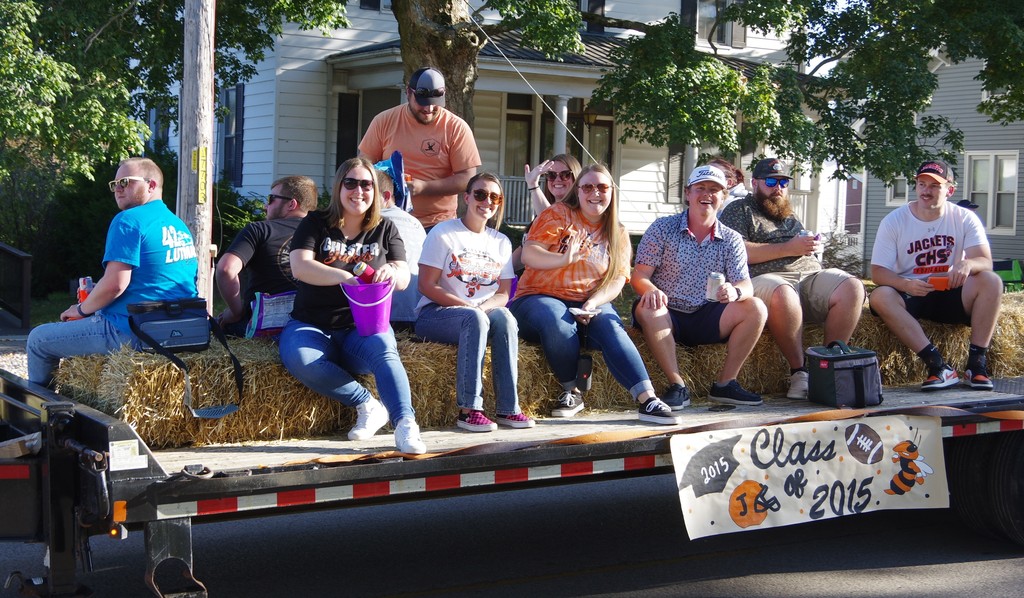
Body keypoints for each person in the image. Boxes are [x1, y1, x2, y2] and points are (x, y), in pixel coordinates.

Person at [510, 164, 681, 425]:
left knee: (611, 325)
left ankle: (648, 399)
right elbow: (529, 254)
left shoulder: (618, 232)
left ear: (612, 191)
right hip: (537, 296)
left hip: (588, 301)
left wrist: (593, 302)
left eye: (602, 187)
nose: (595, 193)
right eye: (587, 187)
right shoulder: (558, 214)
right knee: (556, 318)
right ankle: (572, 390)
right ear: (577, 191)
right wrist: (563, 259)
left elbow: (618, 279)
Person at [278, 157, 426, 454]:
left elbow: (403, 276)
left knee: (385, 350)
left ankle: (406, 424)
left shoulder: (385, 228)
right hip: (312, 324)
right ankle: (367, 404)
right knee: (301, 359)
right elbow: (300, 267)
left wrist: (391, 271)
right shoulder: (316, 222)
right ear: (339, 187)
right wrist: (345, 278)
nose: (359, 191)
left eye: (366, 185)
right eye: (351, 183)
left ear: (375, 191)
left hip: (363, 328)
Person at [27, 157, 199, 386]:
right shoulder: (178, 225)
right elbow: (159, 281)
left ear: (151, 185)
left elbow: (115, 285)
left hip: (135, 331)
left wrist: (82, 309)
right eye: (115, 184)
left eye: (126, 182)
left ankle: (42, 407)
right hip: (182, 329)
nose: (118, 188)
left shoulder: (128, 220)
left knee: (38, 340)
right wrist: (99, 293)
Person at [719, 157, 865, 400]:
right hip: (765, 278)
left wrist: (810, 246)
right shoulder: (739, 209)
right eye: (771, 182)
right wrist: (788, 248)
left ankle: (827, 366)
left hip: (808, 274)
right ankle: (799, 373)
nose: (778, 187)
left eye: (783, 182)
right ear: (755, 183)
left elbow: (801, 247)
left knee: (853, 286)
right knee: (783, 292)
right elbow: (737, 252)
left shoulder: (788, 213)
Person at [632, 165, 768, 407]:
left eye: (714, 190)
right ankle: (677, 385)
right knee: (649, 307)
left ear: (723, 196)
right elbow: (639, 275)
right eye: (700, 188)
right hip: (667, 313)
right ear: (688, 193)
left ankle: (726, 384)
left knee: (756, 307)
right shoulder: (662, 228)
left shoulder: (732, 239)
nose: (707, 194)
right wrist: (652, 290)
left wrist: (735, 291)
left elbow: (745, 284)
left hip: (707, 314)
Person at [415, 173, 535, 432]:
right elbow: (426, 285)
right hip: (436, 314)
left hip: (479, 315)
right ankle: (469, 410)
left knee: (505, 317)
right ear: (467, 198)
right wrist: (467, 308)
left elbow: (504, 293)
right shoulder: (444, 232)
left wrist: (480, 309)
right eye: (480, 194)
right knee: (475, 318)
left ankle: (508, 408)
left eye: (494, 197)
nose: (487, 201)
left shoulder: (501, 241)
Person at [869, 160, 1003, 391]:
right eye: (922, 184)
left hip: (951, 290)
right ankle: (938, 366)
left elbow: (985, 261)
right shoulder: (894, 220)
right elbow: (878, 272)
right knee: (880, 296)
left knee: (991, 281)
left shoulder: (964, 217)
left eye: (934, 186)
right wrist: (905, 284)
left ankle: (976, 366)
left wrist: (967, 264)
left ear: (950, 190)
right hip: (912, 293)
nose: (926, 191)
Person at [358, 67, 482, 231]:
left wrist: (424, 187)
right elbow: (363, 165)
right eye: (422, 103)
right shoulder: (384, 121)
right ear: (409, 93)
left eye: (435, 104)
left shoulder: (456, 127)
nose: (428, 109)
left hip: (437, 224)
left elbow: (467, 178)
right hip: (388, 220)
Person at [215, 175, 317, 336]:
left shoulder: (260, 229)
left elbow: (226, 269)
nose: (265, 206)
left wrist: (235, 313)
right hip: (311, 326)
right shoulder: (325, 234)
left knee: (208, 328)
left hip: (261, 327)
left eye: (271, 199)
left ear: (291, 204)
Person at [375, 164, 426, 331]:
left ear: (386, 196)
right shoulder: (416, 223)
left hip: (384, 316)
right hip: (418, 313)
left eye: (369, 192)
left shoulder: (374, 221)